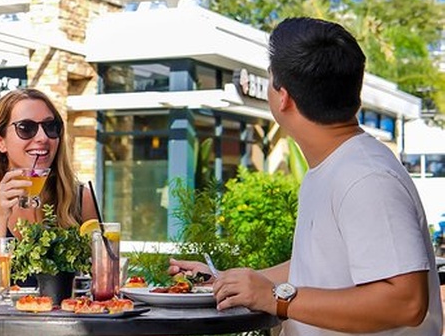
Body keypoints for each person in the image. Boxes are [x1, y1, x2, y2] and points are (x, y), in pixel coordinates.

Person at [171, 17, 443, 335]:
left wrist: (277, 300)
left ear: (283, 96)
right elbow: (320, 268)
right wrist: (234, 281)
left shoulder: (366, 178)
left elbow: (405, 302)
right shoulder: (335, 167)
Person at [0, 88, 98, 294]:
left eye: (50, 127)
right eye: (26, 128)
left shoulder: (80, 197)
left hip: (64, 323)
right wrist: (1, 214)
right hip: (1, 325)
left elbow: (102, 278)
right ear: (0, 142)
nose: (42, 137)